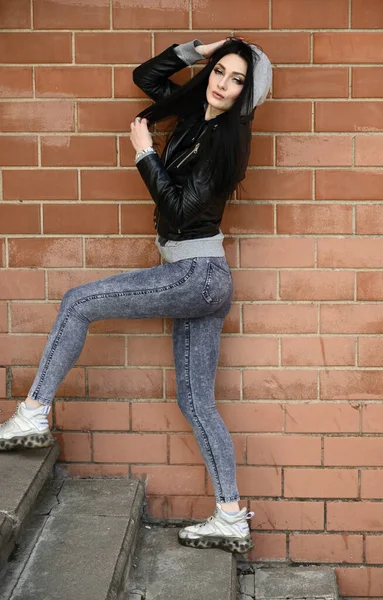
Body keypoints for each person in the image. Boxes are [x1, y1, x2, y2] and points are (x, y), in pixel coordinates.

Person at [0, 37, 272, 553]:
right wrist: (195, 49)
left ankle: (33, 414)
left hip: (196, 274)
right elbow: (147, 78)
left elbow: (176, 212)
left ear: (247, 95)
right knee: (196, 402)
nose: (223, 84)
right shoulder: (198, 113)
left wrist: (145, 154)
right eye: (220, 71)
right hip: (205, 278)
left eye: (238, 80)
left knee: (78, 302)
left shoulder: (225, 145)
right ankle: (231, 516)